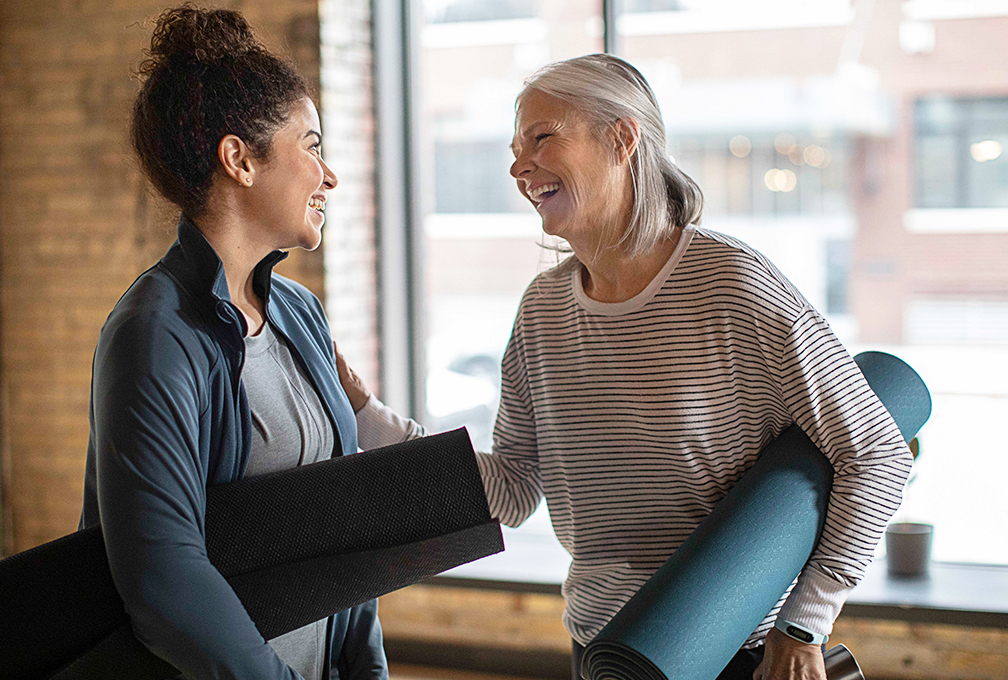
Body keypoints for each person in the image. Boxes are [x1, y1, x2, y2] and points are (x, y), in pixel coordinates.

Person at [338, 54, 912, 680]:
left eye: (542, 136)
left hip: (735, 648)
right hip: (604, 650)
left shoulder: (734, 285)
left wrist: (805, 624)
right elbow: (510, 488)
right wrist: (366, 415)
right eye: (514, 146)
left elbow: (877, 454)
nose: (518, 165)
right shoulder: (543, 310)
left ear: (621, 138)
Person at [79, 7, 386, 679]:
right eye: (311, 145)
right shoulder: (153, 335)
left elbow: (343, 523)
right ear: (239, 159)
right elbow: (165, 583)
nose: (328, 174)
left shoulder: (301, 314)